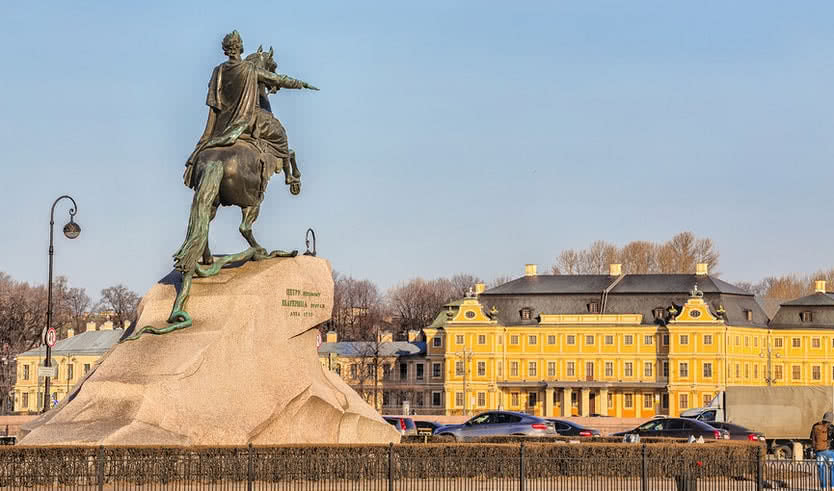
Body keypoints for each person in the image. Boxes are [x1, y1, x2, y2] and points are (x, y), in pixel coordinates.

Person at [184, 30, 317, 191]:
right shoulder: (250, 69)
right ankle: (289, 175)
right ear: (240, 48)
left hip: (222, 126)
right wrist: (301, 84)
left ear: (225, 50)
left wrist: (205, 138)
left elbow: (214, 105)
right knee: (281, 136)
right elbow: (278, 79)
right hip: (246, 122)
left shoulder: (218, 71)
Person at [811, 411, 834, 489]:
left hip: (819, 452)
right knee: (832, 469)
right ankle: (832, 487)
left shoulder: (815, 426)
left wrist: (815, 449)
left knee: (821, 470)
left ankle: (823, 488)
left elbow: (812, 438)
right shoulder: (832, 427)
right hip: (830, 452)